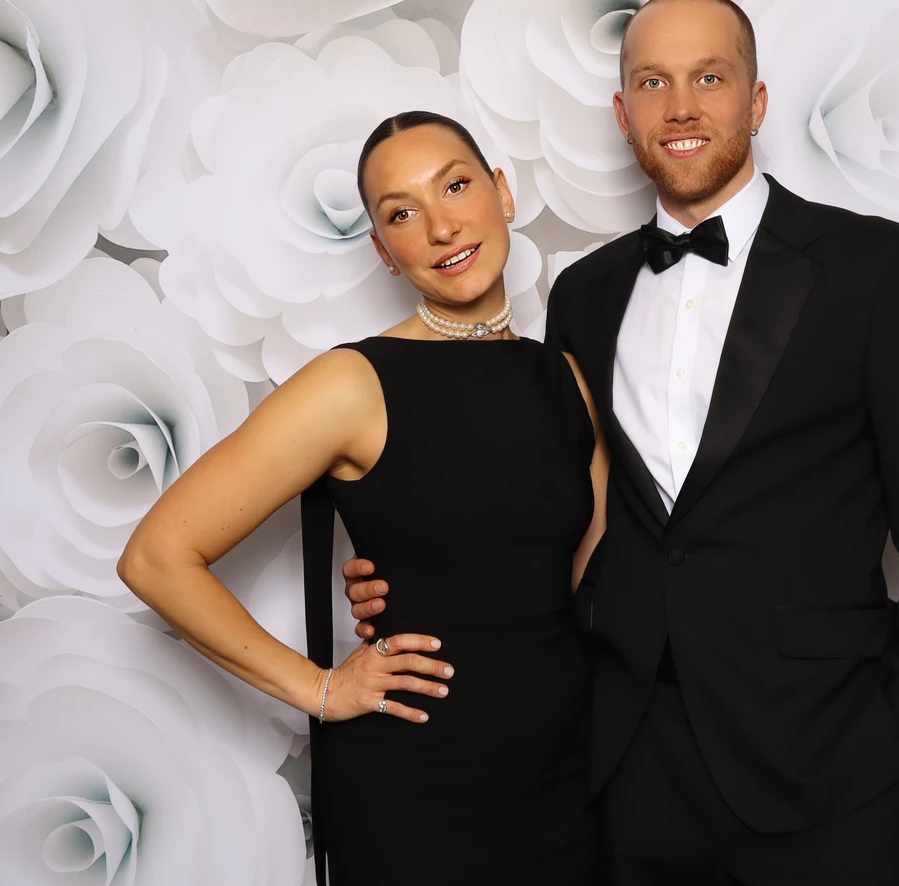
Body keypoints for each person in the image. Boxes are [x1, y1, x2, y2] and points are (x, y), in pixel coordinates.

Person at [341, 0, 899, 886]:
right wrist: (418, 567)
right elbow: (555, 508)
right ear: (624, 115)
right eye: (653, 82)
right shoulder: (584, 295)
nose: (681, 107)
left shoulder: (879, 269)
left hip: (828, 769)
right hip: (627, 770)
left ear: (756, 102)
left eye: (709, 78)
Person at [118, 110, 609, 886]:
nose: (442, 226)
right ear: (383, 250)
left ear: (502, 192)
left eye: (456, 186)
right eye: (402, 213)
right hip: (420, 790)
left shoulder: (567, 381)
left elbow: (590, 581)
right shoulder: (353, 383)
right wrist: (320, 687)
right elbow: (156, 556)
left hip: (566, 778)